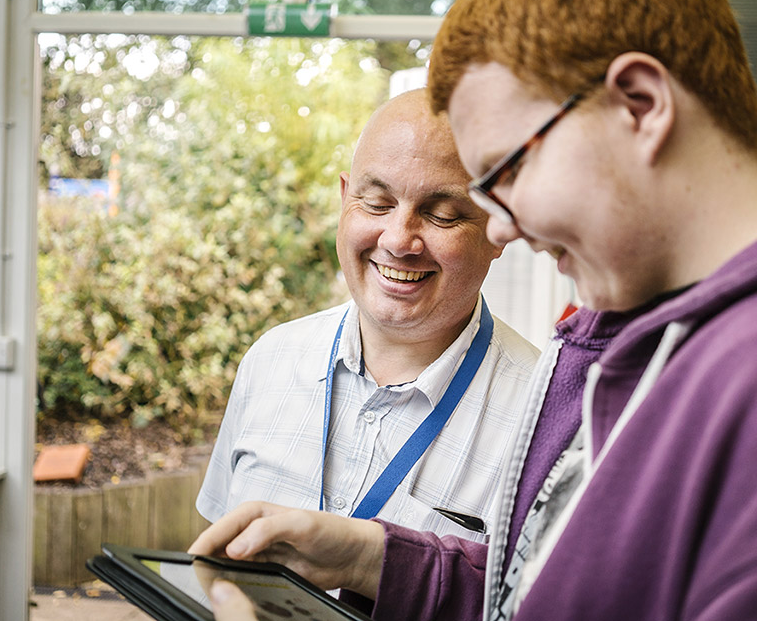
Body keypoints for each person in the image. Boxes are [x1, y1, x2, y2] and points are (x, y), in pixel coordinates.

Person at [193, 0, 757, 619]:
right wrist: (376, 559)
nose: (502, 227)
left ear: (642, 105)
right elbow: (557, 588)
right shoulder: (644, 338)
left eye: (504, 173)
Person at [195, 88, 542, 543]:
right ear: (344, 199)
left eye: (441, 215)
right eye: (377, 204)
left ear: (499, 228)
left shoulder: (542, 418)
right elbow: (215, 552)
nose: (399, 241)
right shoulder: (270, 359)